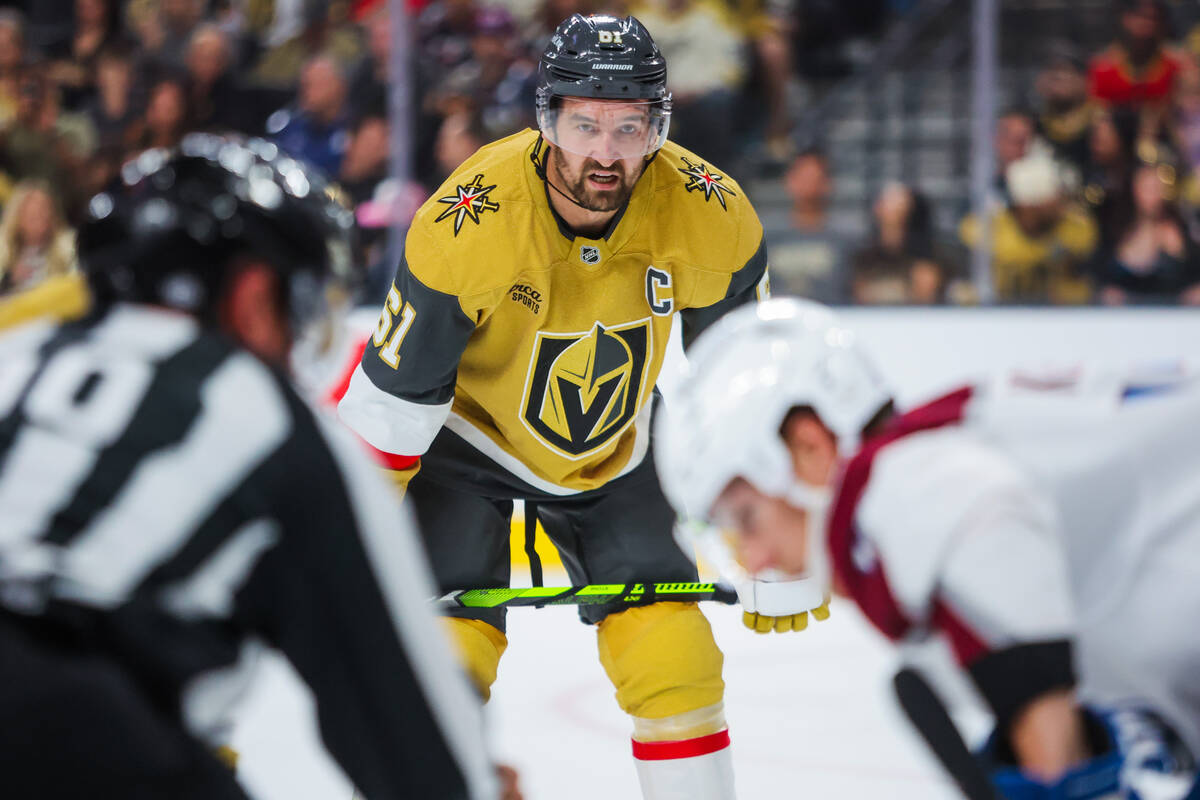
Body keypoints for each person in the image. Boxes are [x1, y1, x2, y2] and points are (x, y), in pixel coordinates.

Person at [337, 14, 802, 800]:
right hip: (464, 443)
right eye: (585, 124)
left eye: (631, 126)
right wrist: (346, 554)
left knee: (674, 660)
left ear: (660, 124)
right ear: (548, 119)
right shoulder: (468, 222)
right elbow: (391, 406)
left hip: (616, 442)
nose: (607, 153)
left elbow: (749, 392)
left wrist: (790, 536)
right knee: (447, 665)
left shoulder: (710, 211)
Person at [0, 134, 516, 800]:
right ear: (251, 295)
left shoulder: (20, 352)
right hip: (62, 719)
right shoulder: (266, 419)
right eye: (296, 301)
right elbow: (410, 728)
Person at [655, 298, 1200, 799]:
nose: (755, 561)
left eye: (747, 518)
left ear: (812, 446)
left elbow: (984, 517)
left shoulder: (906, 492)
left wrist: (1057, 769)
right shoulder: (930, 462)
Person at [0, 179, 77, 294]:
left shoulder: (69, 245)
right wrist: (8, 279)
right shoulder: (4, 252)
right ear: (17, 217)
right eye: (32, 214)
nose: (41, 215)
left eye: (44, 209)